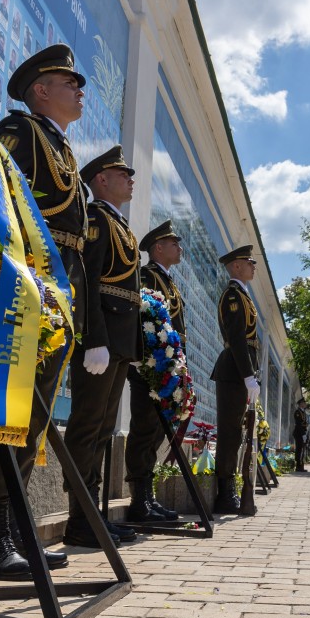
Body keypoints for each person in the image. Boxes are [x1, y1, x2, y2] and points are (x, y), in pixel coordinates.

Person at [0, 45, 90, 579]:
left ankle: (15, 532)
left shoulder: (59, 145)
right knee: (9, 408)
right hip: (23, 282)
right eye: (70, 82)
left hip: (57, 285)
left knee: (34, 412)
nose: (79, 91)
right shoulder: (18, 132)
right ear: (41, 89)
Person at [62, 146, 150, 543]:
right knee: (87, 426)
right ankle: (80, 520)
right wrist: (94, 339)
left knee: (102, 428)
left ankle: (92, 514)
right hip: (101, 342)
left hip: (117, 343)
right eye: (122, 173)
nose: (130, 179)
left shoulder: (119, 224)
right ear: (101, 179)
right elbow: (88, 282)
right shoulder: (96, 219)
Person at [126, 219, 187, 522]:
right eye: (174, 243)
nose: (179, 248)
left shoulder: (170, 282)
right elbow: (146, 322)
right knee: (144, 430)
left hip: (167, 369)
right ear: (158, 248)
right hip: (149, 369)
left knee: (155, 433)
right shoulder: (147, 276)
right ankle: (139, 500)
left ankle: (148, 497)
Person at [210, 244, 260, 514]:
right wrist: (248, 376)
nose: (253, 266)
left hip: (240, 372)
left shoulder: (243, 295)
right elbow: (238, 340)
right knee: (229, 433)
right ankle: (224, 492)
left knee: (237, 433)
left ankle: (230, 487)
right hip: (233, 372)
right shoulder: (232, 296)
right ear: (236, 266)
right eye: (249, 262)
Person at [293, 398, 309, 472]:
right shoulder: (298, 412)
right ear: (301, 404)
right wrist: (303, 434)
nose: (305, 404)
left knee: (302, 450)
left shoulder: (303, 412)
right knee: (299, 450)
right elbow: (299, 424)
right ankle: (298, 466)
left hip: (302, 433)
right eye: (304, 403)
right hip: (299, 433)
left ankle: (301, 465)